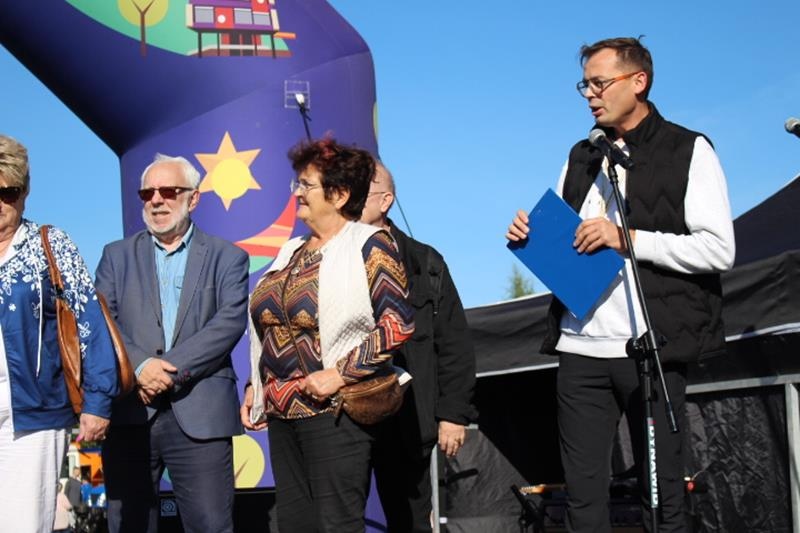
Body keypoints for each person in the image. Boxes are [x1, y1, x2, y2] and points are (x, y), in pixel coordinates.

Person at [506, 37, 735, 532]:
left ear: (639, 81)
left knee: (663, 494)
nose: (590, 94)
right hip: (579, 347)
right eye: (584, 85)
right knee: (583, 497)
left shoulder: (688, 149)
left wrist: (626, 238)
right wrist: (532, 237)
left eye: (600, 83)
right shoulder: (581, 154)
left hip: (650, 348)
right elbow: (569, 241)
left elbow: (719, 249)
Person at [241, 138, 415, 533]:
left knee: (336, 525)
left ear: (339, 194)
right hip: (282, 413)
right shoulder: (290, 251)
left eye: (306, 185)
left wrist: (338, 374)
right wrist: (256, 384)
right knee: (295, 525)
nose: (297, 193)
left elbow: (397, 324)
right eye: (297, 184)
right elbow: (271, 325)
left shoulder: (370, 244)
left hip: (333, 412)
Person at [95, 153, 249, 533]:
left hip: (201, 415)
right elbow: (102, 320)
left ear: (193, 198)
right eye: (147, 193)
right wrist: (141, 366)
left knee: (210, 526)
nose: (156, 200)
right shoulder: (115, 256)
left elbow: (228, 323)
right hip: (131, 411)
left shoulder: (228, 257)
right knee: (128, 525)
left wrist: (167, 372)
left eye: (168, 191)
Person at [0, 134, 118, 532]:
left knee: (24, 524)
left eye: (7, 192)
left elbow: (90, 324)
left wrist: (97, 403)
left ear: (24, 193)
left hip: (32, 417)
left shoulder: (50, 245)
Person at [360, 162, 477, 532]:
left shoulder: (425, 262)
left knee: (409, 521)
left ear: (385, 201)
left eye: (359, 191)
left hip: (408, 419)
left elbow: (454, 342)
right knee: (337, 519)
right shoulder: (328, 259)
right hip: (346, 418)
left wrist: (453, 414)